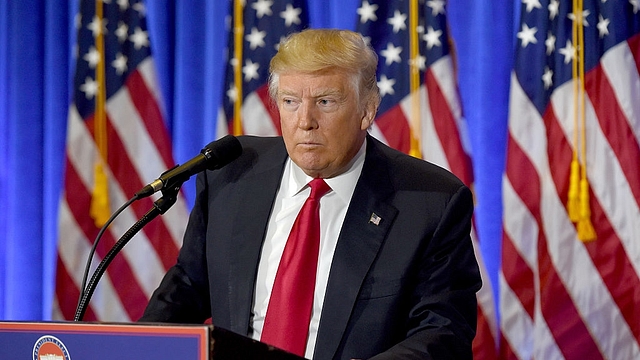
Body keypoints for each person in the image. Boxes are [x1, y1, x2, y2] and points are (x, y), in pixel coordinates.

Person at [140, 28, 481, 360]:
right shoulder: (231, 173)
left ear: (367, 110)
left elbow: (442, 333)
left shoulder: (429, 202)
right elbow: (187, 288)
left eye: (325, 102)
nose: (305, 121)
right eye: (290, 102)